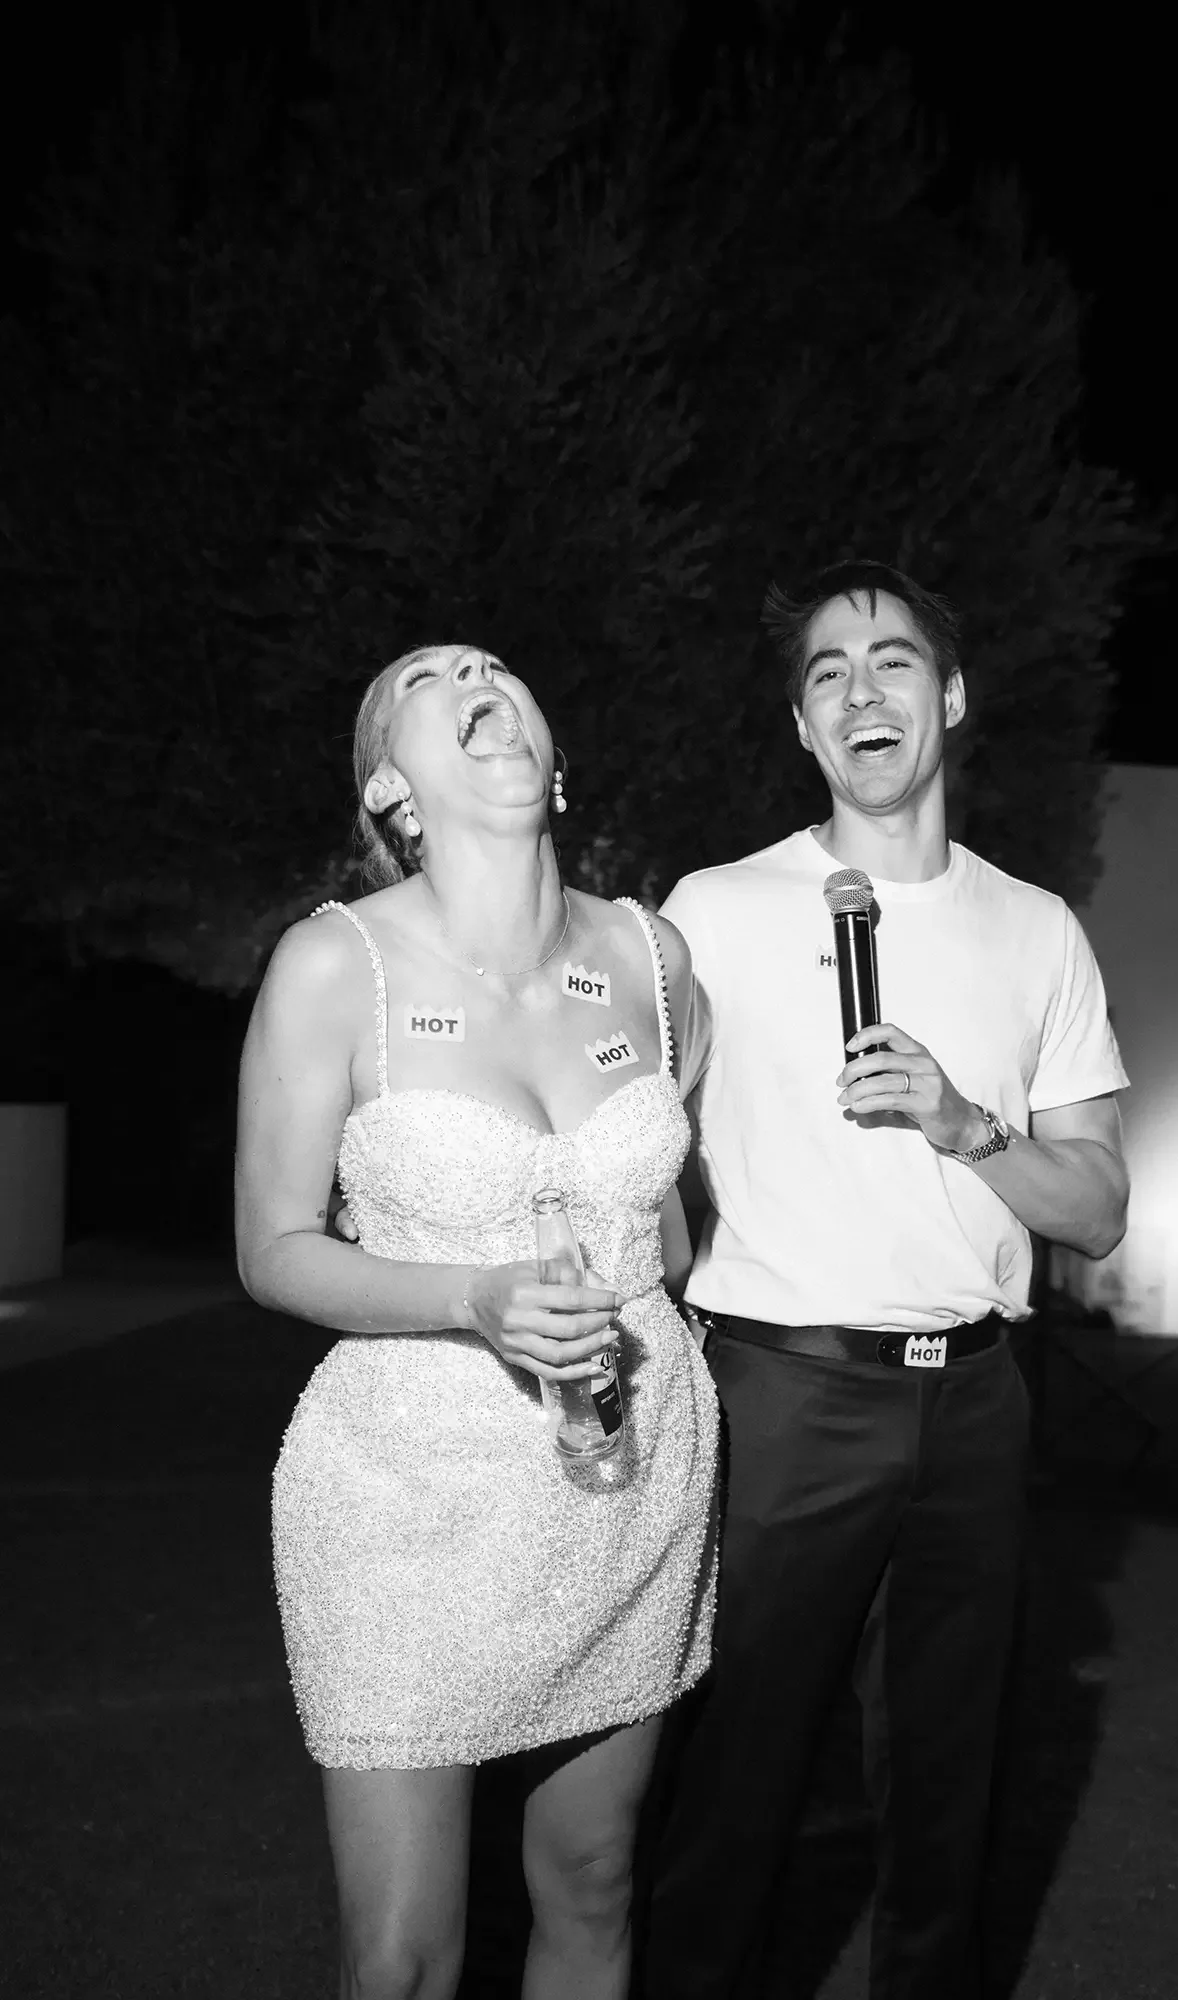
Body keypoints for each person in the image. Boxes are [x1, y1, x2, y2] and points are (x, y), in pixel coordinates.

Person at [644, 560, 1130, 2000]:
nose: (863, 689)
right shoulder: (713, 913)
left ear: (952, 697)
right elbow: (629, 1153)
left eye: (895, 662)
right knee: (736, 1784)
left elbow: (1098, 1209)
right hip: (778, 1390)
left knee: (950, 1790)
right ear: (803, 728)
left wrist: (968, 1125)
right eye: (828, 673)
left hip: (974, 1402)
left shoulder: (1037, 929)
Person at [235, 643, 718, 2000]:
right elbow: (272, 1251)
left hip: (621, 1474)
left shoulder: (651, 954)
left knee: (595, 1882)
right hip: (404, 1488)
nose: (474, 678)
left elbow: (677, 1215)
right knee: (401, 1957)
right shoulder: (337, 967)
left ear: (554, 756)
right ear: (394, 786)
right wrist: (475, 1299)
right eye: (430, 680)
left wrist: (638, 1301)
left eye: (496, 667)